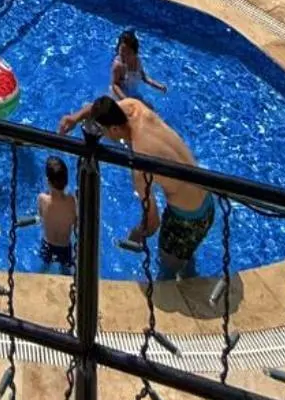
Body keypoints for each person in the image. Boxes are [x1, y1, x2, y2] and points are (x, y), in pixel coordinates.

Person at [58, 94, 214, 273]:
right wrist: (75, 117)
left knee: (169, 273)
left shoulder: (141, 165)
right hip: (206, 198)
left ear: (115, 129)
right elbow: (103, 106)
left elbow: (152, 223)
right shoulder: (135, 107)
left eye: (103, 131)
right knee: (186, 255)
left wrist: (137, 234)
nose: (104, 135)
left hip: (185, 221)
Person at [37, 155, 78, 273]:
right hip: (65, 247)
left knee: (43, 270)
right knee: (65, 272)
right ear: (66, 182)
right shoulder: (72, 201)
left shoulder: (42, 199)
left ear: (47, 181)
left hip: (48, 245)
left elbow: (41, 216)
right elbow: (76, 223)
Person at [111, 31, 168, 101]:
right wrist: (126, 100)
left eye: (128, 53)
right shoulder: (118, 65)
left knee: (150, 109)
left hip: (134, 95)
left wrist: (159, 86)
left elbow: (144, 77)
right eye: (121, 51)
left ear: (135, 53)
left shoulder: (137, 61)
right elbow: (115, 85)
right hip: (120, 97)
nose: (124, 55)